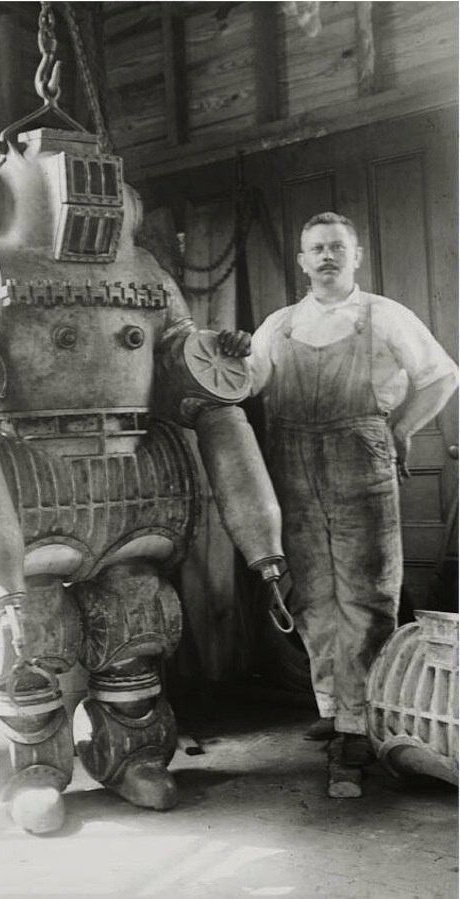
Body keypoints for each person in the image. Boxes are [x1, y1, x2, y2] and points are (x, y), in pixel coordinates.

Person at [221, 211, 458, 795]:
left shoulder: (385, 315)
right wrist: (227, 354)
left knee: (367, 594)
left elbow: (441, 375)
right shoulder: (279, 325)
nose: (326, 256)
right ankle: (333, 706)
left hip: (361, 459)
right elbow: (247, 384)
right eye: (316, 248)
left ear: (356, 256)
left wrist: (400, 428)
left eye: (336, 247)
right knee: (312, 594)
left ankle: (363, 719)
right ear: (302, 261)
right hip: (291, 465)